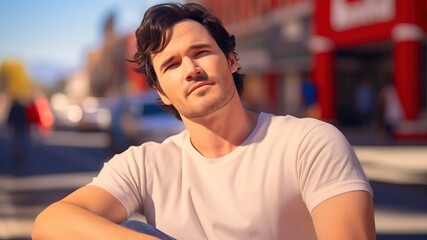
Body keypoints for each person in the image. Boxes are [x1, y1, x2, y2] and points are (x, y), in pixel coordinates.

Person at [32, 3, 375, 239]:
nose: (191, 69)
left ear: (231, 60)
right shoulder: (146, 164)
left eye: (201, 53)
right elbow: (50, 224)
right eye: (171, 65)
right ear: (161, 92)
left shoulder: (309, 142)